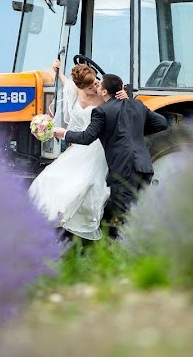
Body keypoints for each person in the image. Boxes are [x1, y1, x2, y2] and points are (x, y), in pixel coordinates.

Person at [53, 73, 168, 238]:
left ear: (105, 92)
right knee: (135, 212)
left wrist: (64, 134)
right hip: (145, 168)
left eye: (99, 85)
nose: (96, 86)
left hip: (124, 170)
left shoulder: (102, 111)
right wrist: (134, 131)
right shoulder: (137, 105)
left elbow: (86, 138)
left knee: (123, 219)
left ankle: (123, 252)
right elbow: (162, 123)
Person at [28, 62, 125, 240]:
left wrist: (123, 95)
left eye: (96, 83)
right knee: (51, 177)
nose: (96, 87)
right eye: (90, 86)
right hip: (80, 145)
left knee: (83, 183)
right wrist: (58, 71)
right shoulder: (74, 89)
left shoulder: (103, 95)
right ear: (80, 87)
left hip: (96, 146)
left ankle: (78, 221)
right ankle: (55, 218)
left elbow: (120, 103)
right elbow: (67, 84)